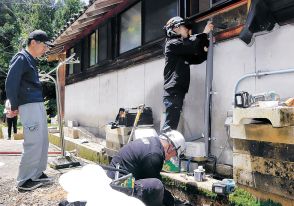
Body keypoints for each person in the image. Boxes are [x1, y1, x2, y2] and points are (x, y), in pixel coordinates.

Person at [5, 30, 54, 191]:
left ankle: (37, 173)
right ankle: (24, 180)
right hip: (28, 104)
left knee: (43, 140)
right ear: (34, 42)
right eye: (44, 46)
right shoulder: (21, 58)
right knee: (33, 141)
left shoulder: (31, 60)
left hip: (36, 103)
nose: (45, 49)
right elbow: (11, 83)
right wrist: (14, 106)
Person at [107, 130, 186, 206]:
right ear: (171, 147)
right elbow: (155, 186)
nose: (172, 157)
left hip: (114, 177)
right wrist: (172, 202)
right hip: (119, 185)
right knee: (156, 186)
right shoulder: (154, 156)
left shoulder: (153, 142)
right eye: (175, 154)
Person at [162, 16, 214, 130]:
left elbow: (196, 58)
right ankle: (163, 147)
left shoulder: (180, 49)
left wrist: (204, 48)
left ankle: (166, 146)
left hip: (176, 91)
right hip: (173, 91)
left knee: (171, 125)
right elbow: (190, 45)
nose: (187, 30)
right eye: (184, 27)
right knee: (170, 127)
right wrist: (204, 33)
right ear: (175, 28)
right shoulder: (172, 44)